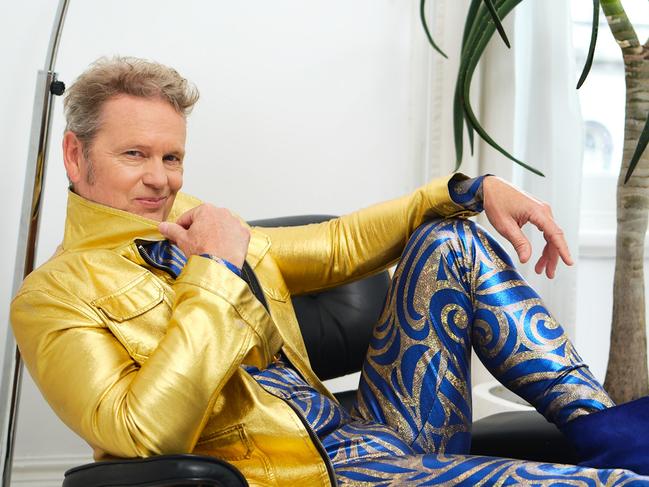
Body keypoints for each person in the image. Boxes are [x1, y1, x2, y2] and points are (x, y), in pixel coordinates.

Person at [10, 57, 649, 486]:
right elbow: (141, 435)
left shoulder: (199, 220)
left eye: (173, 156)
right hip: (306, 476)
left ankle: (615, 431)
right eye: (134, 154)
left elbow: (339, 247)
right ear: (74, 153)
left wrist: (473, 188)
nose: (161, 178)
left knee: (446, 235)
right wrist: (212, 271)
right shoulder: (52, 297)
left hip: (365, 433)